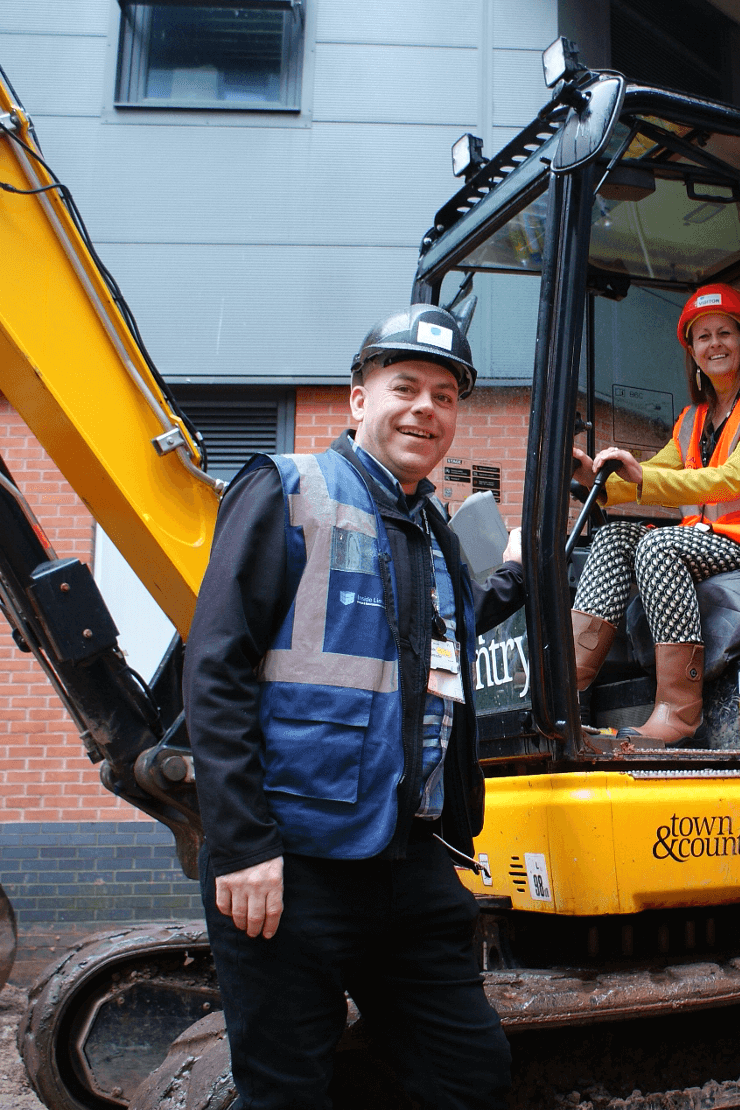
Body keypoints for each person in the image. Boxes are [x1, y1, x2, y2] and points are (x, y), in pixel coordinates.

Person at [185, 304, 525, 1110]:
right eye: (404, 386)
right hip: (293, 866)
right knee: (288, 1091)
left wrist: (520, 568)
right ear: (357, 399)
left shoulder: (435, 533)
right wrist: (242, 847)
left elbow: (445, 639)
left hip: (411, 864)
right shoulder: (289, 490)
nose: (425, 409)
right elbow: (216, 671)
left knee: (469, 1074)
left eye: (445, 396)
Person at [567, 283, 740, 744]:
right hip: (704, 539)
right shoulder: (691, 419)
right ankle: (568, 688)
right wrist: (594, 478)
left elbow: (736, 477)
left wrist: (641, 477)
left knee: (658, 546)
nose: (714, 345)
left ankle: (678, 714)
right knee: (612, 538)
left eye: (725, 332)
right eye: (702, 337)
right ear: (692, 350)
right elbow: (649, 473)